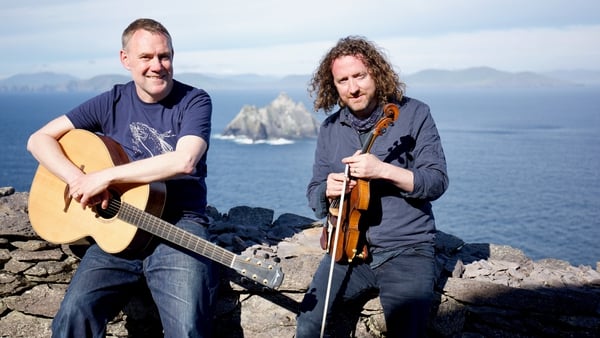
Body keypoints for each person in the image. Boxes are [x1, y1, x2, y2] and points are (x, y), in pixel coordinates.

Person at [27, 18, 218, 337]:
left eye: (165, 56)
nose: (157, 66)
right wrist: (77, 179)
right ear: (125, 59)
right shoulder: (112, 101)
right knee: (73, 316)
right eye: (146, 57)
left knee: (187, 329)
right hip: (118, 228)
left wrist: (104, 178)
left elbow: (184, 160)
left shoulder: (194, 101)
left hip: (178, 225)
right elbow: (38, 139)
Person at [295, 36, 449, 337]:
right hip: (347, 249)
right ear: (333, 86)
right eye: (343, 80)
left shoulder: (415, 114)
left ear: (376, 74)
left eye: (359, 76)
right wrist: (326, 189)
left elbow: (436, 180)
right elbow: (314, 193)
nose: (352, 88)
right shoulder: (330, 129)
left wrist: (383, 170)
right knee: (309, 324)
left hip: (407, 249)